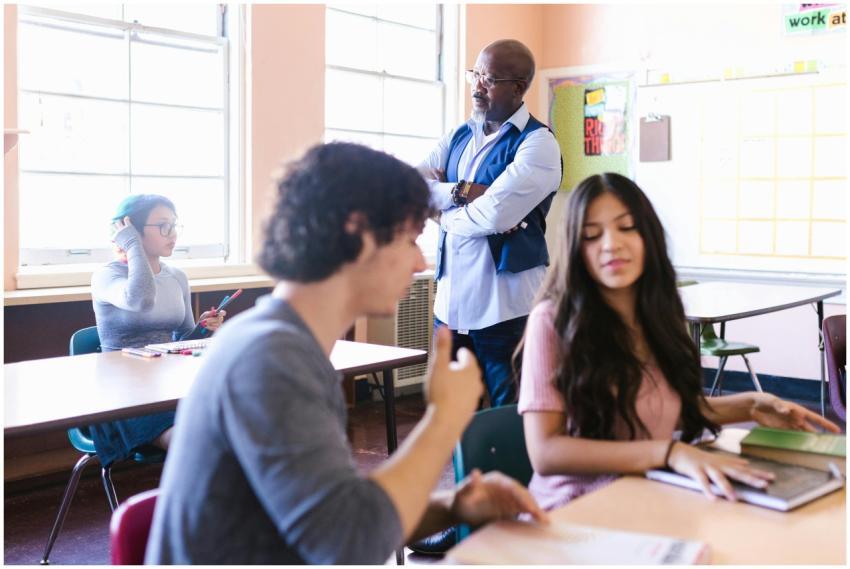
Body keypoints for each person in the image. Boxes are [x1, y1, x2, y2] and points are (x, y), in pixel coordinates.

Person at [145, 143, 547, 564]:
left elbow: (339, 514)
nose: (417, 263)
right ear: (358, 233)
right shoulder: (270, 357)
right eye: (410, 240)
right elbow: (346, 545)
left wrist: (452, 508)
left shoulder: (286, 344)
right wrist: (446, 416)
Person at [517, 172, 841, 512]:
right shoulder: (552, 321)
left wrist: (749, 405)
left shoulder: (659, 314)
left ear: (649, 236)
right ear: (574, 249)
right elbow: (545, 453)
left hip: (645, 495)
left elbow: (654, 412)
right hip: (573, 511)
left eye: (627, 227)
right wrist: (669, 453)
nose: (611, 244)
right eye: (591, 236)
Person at [418, 38, 562, 408]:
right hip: (449, 309)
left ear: (518, 87)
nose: (477, 85)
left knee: (508, 416)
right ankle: (467, 472)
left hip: (504, 310)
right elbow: (412, 188)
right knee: (449, 417)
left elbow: (496, 213)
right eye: (475, 74)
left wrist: (440, 213)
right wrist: (463, 192)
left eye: (489, 78)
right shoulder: (458, 136)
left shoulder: (538, 144)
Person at [89, 194, 225, 466]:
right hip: (125, 397)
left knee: (235, 421)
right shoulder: (107, 276)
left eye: (174, 225)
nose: (172, 234)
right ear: (131, 230)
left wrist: (203, 328)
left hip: (169, 386)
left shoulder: (177, 276)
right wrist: (131, 245)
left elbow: (182, 338)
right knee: (197, 440)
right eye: (163, 226)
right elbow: (140, 298)